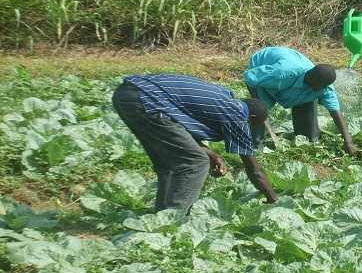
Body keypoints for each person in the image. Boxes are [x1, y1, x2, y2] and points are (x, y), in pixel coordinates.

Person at [112, 74, 278, 212]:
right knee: (196, 162)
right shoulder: (237, 116)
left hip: (127, 94)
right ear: (251, 118)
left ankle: (162, 215)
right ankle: (174, 220)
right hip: (148, 102)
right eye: (252, 126)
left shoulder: (223, 97)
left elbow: (179, 128)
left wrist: (212, 154)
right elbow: (254, 170)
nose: (248, 130)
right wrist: (273, 198)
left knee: (169, 163)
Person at [244, 46, 357, 157]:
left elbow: (335, 112)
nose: (323, 90)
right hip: (263, 64)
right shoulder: (282, 73)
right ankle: (254, 147)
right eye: (320, 87)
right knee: (260, 110)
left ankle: (306, 135)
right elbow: (250, 77)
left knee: (308, 133)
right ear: (312, 80)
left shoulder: (324, 88)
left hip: (291, 69)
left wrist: (348, 141)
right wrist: (259, 103)